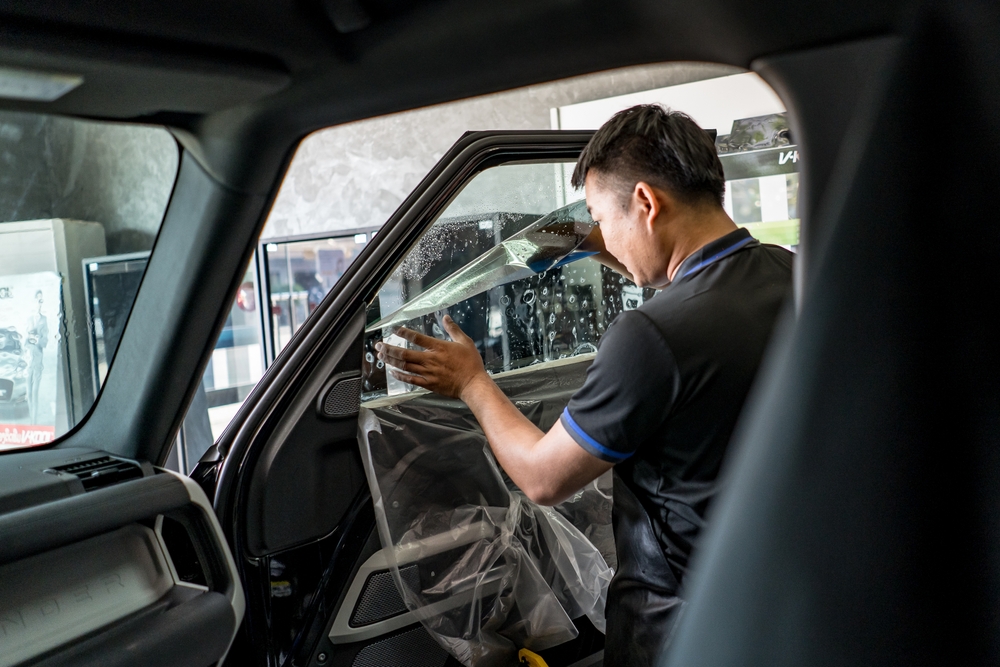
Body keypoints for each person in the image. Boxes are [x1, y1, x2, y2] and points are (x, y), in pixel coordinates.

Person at [375, 105, 793, 665]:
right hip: (772, 603)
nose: (601, 234)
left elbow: (545, 479)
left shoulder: (649, 336)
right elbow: (694, 300)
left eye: (600, 215)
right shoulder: (788, 273)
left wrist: (473, 381)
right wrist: (596, 243)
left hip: (677, 628)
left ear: (645, 202)